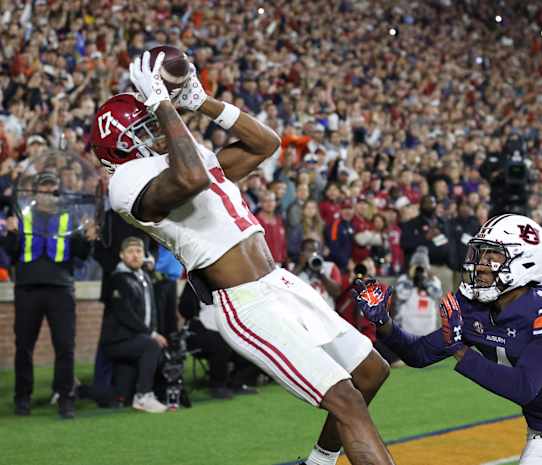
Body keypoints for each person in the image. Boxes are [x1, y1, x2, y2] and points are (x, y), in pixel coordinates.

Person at [90, 51, 394, 465]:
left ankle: (319, 461)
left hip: (279, 282)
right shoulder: (126, 183)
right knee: (345, 400)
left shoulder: (177, 157)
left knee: (372, 372)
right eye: (144, 127)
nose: (157, 130)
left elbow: (266, 143)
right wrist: (161, 102)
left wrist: (203, 103)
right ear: (122, 146)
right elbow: (192, 178)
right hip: (245, 302)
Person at [355, 214, 542, 465]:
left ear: (525, 262)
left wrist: (461, 352)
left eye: (492, 257)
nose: (479, 266)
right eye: (479, 255)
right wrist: (384, 323)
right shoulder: (470, 306)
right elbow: (418, 355)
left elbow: (525, 387)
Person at [2, 170, 97, 419]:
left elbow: (81, 253)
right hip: (27, 289)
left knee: (65, 346)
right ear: (34, 191)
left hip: (61, 290)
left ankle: (66, 398)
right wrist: (10, 233)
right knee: (24, 346)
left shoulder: (70, 217)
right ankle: (22, 398)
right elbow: (11, 253)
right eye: (43, 187)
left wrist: (88, 238)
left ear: (58, 191)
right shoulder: (22, 217)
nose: (47, 191)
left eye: (52, 187)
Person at [99, 237, 168, 413]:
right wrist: (151, 334)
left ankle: (78, 390)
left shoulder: (144, 277)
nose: (135, 255)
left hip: (135, 340)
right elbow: (125, 315)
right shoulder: (116, 279)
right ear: (122, 256)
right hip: (117, 341)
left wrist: (152, 331)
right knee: (152, 346)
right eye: (130, 252)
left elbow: (151, 311)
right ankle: (144, 396)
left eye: (138, 251)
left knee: (119, 396)